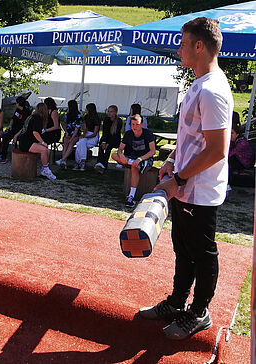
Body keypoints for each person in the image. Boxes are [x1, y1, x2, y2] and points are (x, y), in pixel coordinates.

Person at [139, 17, 234, 340]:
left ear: (199, 46)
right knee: (183, 249)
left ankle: (199, 312)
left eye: (182, 43)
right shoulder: (198, 83)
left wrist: (178, 177)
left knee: (202, 252)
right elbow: (191, 137)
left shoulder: (213, 90)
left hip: (200, 190)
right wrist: (171, 162)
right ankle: (178, 302)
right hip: (185, 186)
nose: (177, 49)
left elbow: (217, 150)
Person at [112, 114, 156, 207]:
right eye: (133, 124)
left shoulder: (148, 133)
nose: (135, 127)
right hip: (132, 158)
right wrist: (121, 156)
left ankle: (131, 196)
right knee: (114, 155)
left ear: (142, 124)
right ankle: (130, 162)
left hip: (146, 158)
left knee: (134, 166)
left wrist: (140, 159)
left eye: (137, 124)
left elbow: (153, 151)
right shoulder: (128, 134)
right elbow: (119, 149)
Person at [15, 102, 56, 180]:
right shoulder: (37, 118)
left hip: (27, 141)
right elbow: (35, 133)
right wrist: (42, 142)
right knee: (44, 149)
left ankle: (45, 168)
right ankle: (45, 169)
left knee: (47, 150)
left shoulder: (32, 116)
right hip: (26, 143)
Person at [0, 96, 31, 164]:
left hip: (22, 131)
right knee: (5, 137)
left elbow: (25, 126)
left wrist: (16, 135)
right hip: (13, 129)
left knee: (22, 140)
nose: (16, 104)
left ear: (19, 104)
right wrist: (10, 125)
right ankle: (3, 156)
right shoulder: (17, 109)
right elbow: (13, 118)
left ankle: (21, 159)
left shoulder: (27, 112)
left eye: (16, 103)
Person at [71, 102, 101, 171]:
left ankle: (78, 162)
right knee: (81, 143)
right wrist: (84, 135)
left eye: (86, 109)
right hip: (87, 135)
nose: (85, 110)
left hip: (93, 137)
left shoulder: (97, 119)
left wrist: (86, 137)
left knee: (80, 143)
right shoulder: (86, 117)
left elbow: (95, 133)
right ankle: (82, 162)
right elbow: (85, 129)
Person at [95, 105, 123, 173]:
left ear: (115, 112)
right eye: (108, 111)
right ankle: (99, 162)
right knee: (101, 145)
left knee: (108, 147)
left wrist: (108, 143)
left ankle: (104, 165)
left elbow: (115, 135)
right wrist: (104, 141)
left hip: (115, 139)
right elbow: (105, 132)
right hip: (106, 137)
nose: (109, 113)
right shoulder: (106, 120)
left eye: (111, 112)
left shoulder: (119, 121)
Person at [228, 116, 254, 188]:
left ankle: (230, 179)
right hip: (239, 158)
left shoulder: (241, 142)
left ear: (237, 134)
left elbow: (229, 154)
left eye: (232, 133)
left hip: (245, 163)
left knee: (229, 161)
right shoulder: (235, 141)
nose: (229, 135)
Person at [55, 100, 82, 169]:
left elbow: (77, 129)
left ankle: (62, 159)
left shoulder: (78, 116)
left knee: (71, 143)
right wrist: (66, 132)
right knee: (65, 143)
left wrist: (72, 138)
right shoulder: (68, 115)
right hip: (68, 133)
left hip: (76, 134)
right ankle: (64, 162)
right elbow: (65, 124)